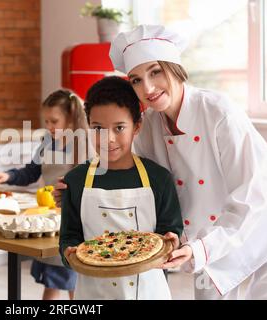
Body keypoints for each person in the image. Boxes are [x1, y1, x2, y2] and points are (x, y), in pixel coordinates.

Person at [107, 24, 267, 299]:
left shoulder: (219, 112)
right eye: (136, 79)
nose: (148, 88)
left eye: (155, 71)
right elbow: (140, 183)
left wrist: (201, 248)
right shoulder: (150, 124)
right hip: (211, 232)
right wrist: (79, 189)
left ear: (174, 67)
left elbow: (250, 197)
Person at [59, 76, 183, 300]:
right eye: (98, 128)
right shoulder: (75, 180)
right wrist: (68, 253)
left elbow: (171, 229)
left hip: (148, 291)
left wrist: (173, 239)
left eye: (119, 128)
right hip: (93, 293)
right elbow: (69, 237)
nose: (108, 139)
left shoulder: (159, 178)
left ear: (137, 126)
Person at [0, 89, 87, 300]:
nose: (49, 127)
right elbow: (31, 171)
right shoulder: (48, 141)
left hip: (75, 223)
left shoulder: (85, 144)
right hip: (50, 219)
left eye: (54, 121)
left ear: (71, 119)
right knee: (52, 280)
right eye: (46, 121)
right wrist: (8, 176)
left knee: (76, 284)